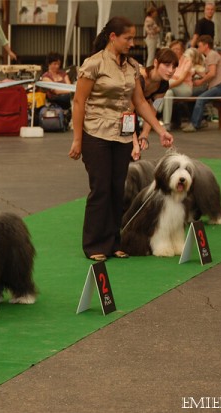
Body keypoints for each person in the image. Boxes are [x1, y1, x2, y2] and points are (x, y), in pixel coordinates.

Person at [68, 17, 174, 262]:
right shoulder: (93, 64)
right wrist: (77, 139)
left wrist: (160, 130)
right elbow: (78, 102)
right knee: (101, 189)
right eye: (128, 38)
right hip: (95, 133)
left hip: (123, 135)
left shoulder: (132, 67)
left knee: (118, 189)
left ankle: (114, 241)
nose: (132, 42)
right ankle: (94, 243)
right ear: (113, 37)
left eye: (134, 38)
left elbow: (139, 102)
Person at [134, 48, 178, 154]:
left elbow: (153, 109)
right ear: (155, 62)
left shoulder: (163, 85)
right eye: (167, 65)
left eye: (174, 67)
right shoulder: (139, 77)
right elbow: (127, 111)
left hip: (133, 115)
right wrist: (134, 141)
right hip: (120, 115)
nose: (171, 70)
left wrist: (144, 134)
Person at [183, 35, 221, 132]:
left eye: (199, 46)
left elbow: (212, 74)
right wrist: (196, 71)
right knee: (190, 95)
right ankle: (201, 120)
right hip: (215, 86)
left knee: (201, 98)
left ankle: (194, 124)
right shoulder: (209, 57)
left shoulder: (212, 55)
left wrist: (200, 81)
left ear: (206, 46)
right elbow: (207, 73)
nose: (198, 48)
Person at [162, 46, 205, 131]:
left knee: (165, 86)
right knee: (168, 94)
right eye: (173, 49)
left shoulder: (187, 61)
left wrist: (165, 86)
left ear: (182, 51)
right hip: (173, 87)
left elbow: (181, 79)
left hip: (185, 88)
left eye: (177, 49)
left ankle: (157, 106)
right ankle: (166, 124)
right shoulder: (170, 61)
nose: (175, 51)